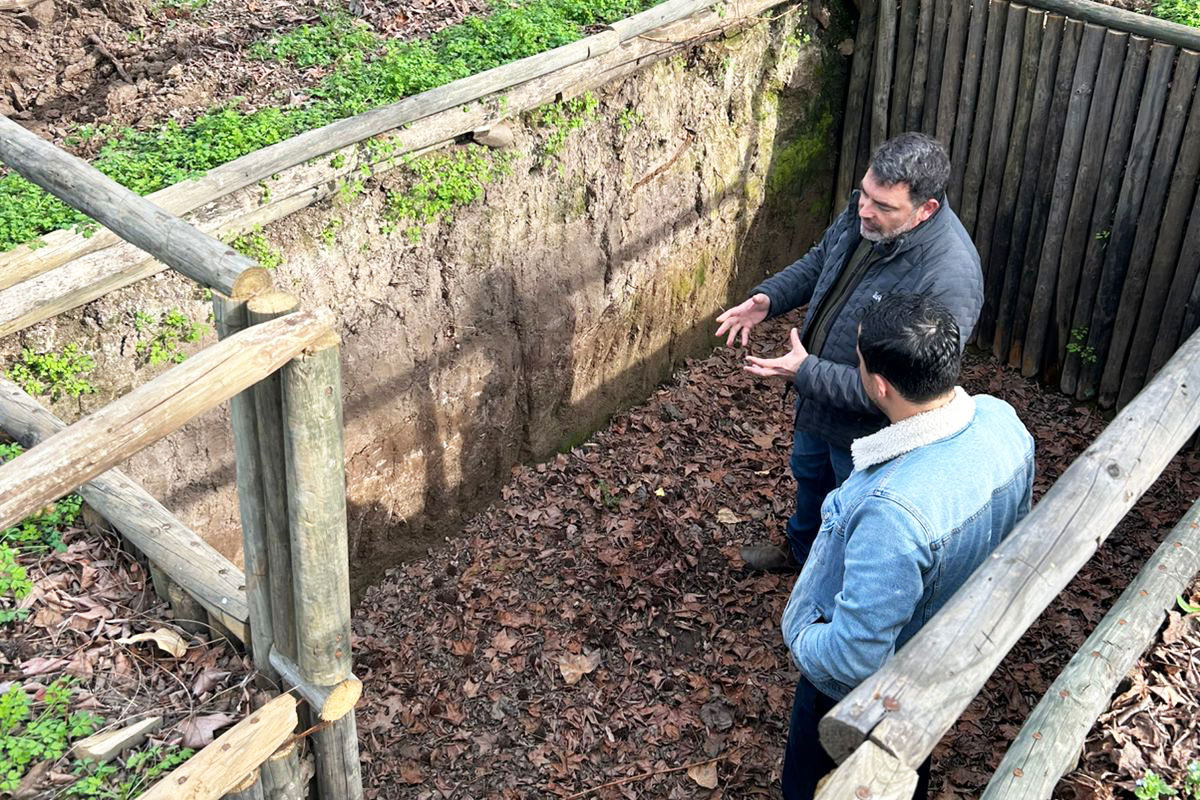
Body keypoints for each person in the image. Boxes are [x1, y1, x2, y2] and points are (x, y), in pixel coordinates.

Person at [764, 293, 1035, 800]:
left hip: (868, 696)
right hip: (936, 653)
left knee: (811, 786)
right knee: (906, 764)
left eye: (860, 362)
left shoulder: (890, 511)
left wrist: (800, 632)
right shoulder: (1002, 420)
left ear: (880, 385)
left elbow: (850, 658)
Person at [716, 132, 983, 572]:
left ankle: (832, 588)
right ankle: (801, 553)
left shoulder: (949, 278)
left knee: (853, 515)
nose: (864, 209)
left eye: (883, 205)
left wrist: (807, 371)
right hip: (818, 402)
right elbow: (823, 259)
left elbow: (911, 392)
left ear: (926, 209)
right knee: (809, 476)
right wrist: (770, 298)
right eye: (864, 193)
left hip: (868, 436)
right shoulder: (869, 214)